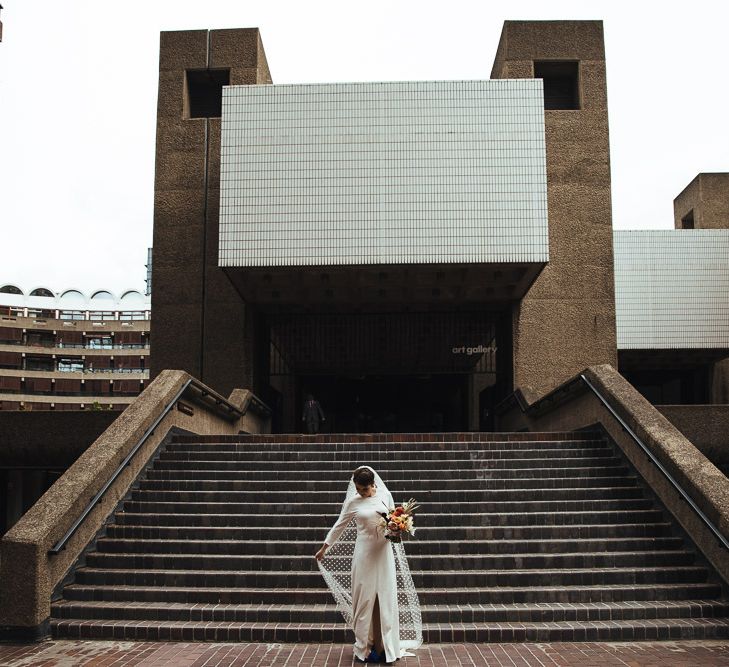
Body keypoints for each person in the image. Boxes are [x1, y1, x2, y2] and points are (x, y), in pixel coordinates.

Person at [315, 466, 422, 664]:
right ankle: (364, 647)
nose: (360, 493)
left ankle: (386, 646)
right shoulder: (353, 502)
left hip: (383, 554)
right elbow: (339, 525)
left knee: (386, 598)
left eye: (364, 489)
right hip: (363, 555)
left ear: (373, 485)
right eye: (357, 489)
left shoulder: (385, 495)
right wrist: (324, 548)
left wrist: (397, 529)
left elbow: (393, 519)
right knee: (364, 599)